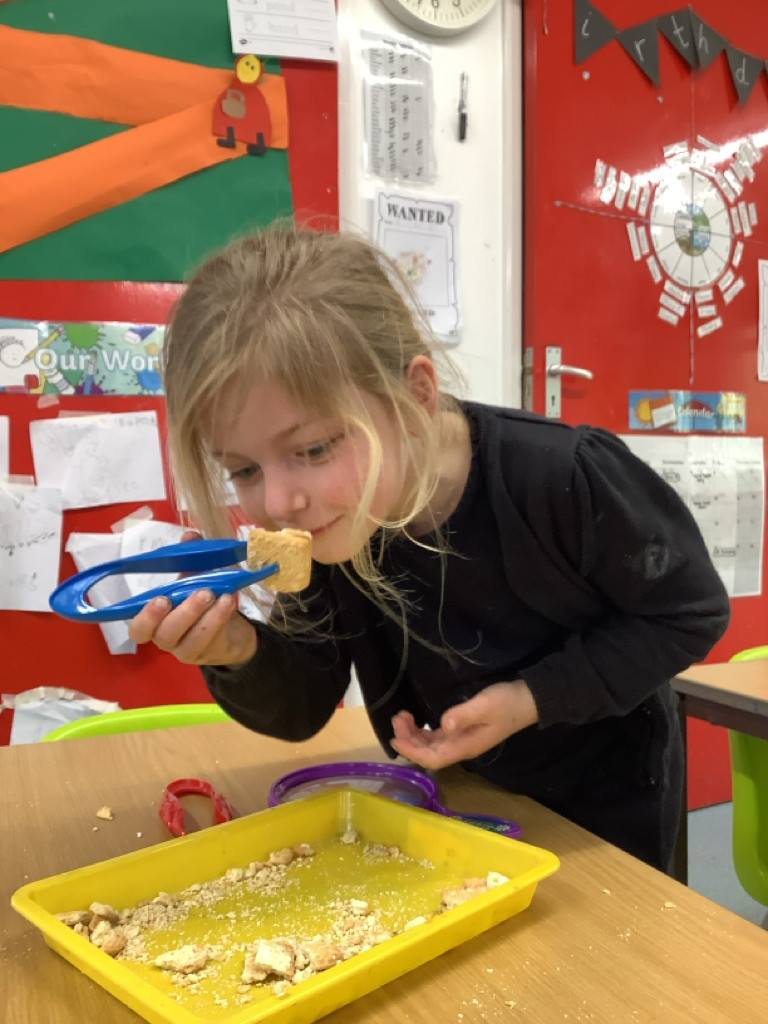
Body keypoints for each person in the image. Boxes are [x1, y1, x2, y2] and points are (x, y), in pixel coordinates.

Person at [130, 223, 730, 873]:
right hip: (459, 799)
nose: (278, 502)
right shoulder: (330, 524)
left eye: (313, 448)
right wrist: (236, 650)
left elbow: (689, 612)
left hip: (608, 810)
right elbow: (304, 703)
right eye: (244, 469)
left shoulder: (562, 474)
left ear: (416, 395)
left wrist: (528, 699)